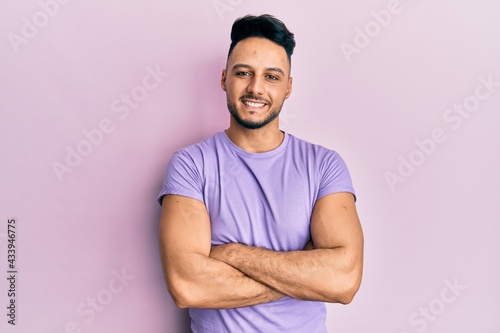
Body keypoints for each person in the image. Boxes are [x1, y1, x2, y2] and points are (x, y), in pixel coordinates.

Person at [157, 14, 364, 333]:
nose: (255, 88)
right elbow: (188, 287)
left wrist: (232, 254)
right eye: (243, 73)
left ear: (288, 87)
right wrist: (304, 276)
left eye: (271, 76)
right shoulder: (191, 165)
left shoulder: (324, 165)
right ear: (224, 78)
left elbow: (343, 281)